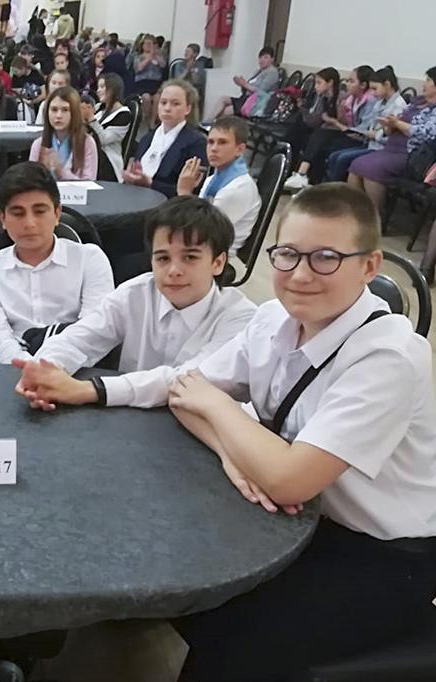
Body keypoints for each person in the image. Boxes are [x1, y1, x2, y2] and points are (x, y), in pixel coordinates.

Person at [107, 184, 436, 680]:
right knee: (166, 559)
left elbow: (288, 480)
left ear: (369, 266)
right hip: (291, 520)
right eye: (288, 254)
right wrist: (231, 452)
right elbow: (183, 393)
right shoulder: (272, 319)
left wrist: (219, 407)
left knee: (233, 639)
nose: (300, 274)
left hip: (379, 552)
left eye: (326, 257)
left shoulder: (388, 358)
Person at [13, 195, 255, 408]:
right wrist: (45, 374)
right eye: (162, 258)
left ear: (218, 263)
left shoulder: (241, 318)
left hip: (204, 431)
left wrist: (91, 390)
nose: (173, 271)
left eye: (190, 257)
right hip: (126, 420)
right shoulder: (135, 293)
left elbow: (189, 380)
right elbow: (80, 338)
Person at [0, 162, 113, 364]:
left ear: (57, 214)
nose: (29, 223)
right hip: (14, 370)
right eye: (18, 213)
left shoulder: (90, 259)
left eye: (39, 211)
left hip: (77, 370)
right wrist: (30, 369)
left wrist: (49, 370)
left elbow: (95, 333)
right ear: (2, 218)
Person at [348, 66, 436, 214]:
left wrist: (398, 124)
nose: (424, 83)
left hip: (411, 154)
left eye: (428, 80)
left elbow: (426, 134)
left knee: (372, 171)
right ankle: (356, 213)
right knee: (355, 165)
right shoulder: (417, 102)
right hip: (391, 147)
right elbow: (395, 125)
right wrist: (390, 125)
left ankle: (375, 216)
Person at [177, 116, 260, 256]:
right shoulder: (212, 179)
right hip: (199, 246)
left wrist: (184, 192)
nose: (214, 149)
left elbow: (203, 232)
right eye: (210, 142)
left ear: (240, 149)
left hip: (214, 255)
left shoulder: (238, 188)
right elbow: (197, 218)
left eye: (222, 142)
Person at [286, 66, 375, 190]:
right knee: (313, 138)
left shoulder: (368, 101)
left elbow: (359, 130)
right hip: (346, 133)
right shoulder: (351, 99)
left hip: (359, 139)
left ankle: (305, 176)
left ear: (363, 85)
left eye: (351, 81)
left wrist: (335, 121)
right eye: (347, 80)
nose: (347, 84)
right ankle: (308, 182)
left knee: (321, 139)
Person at [124, 79, 207, 197]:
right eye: (163, 102)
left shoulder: (197, 142)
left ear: (188, 109)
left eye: (175, 104)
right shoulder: (146, 138)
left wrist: (150, 184)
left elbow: (193, 191)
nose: (167, 108)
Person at [326, 66, 407, 182]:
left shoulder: (399, 106)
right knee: (334, 156)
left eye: (375, 88)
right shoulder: (379, 102)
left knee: (342, 159)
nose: (372, 93)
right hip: (370, 143)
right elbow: (371, 125)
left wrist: (375, 136)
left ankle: (337, 190)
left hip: (382, 148)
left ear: (387, 85)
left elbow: (393, 138)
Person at [30, 86, 99, 181]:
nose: (58, 115)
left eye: (65, 110)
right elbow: (31, 181)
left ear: (75, 113)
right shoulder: (38, 144)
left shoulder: (87, 143)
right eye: (54, 110)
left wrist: (61, 172)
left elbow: (90, 184)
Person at [205, 47, 280, 122]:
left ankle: (211, 124)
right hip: (246, 99)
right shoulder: (258, 72)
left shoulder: (272, 72)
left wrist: (244, 84)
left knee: (226, 110)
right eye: (260, 57)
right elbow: (247, 89)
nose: (262, 60)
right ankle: (207, 121)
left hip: (256, 103)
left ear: (272, 59)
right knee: (223, 99)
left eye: (266, 57)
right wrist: (241, 84)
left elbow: (260, 91)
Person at [89, 72, 131, 182]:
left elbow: (103, 139)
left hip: (108, 161)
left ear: (113, 88)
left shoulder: (124, 114)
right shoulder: (99, 108)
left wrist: (91, 119)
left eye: (102, 87)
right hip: (92, 154)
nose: (98, 91)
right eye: (98, 87)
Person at [11, 56, 45, 120]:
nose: (14, 73)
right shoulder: (15, 78)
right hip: (22, 103)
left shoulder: (36, 75)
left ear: (23, 68)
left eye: (16, 71)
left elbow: (44, 93)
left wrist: (32, 102)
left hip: (36, 103)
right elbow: (13, 92)